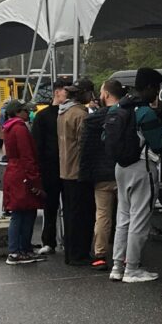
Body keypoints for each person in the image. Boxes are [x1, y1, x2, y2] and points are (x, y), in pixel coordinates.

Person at [110, 67, 162, 283]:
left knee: (123, 218)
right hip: (141, 167)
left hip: (120, 167)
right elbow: (159, 143)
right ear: (149, 87)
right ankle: (132, 268)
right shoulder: (145, 112)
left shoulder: (117, 108)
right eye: (157, 88)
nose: (157, 93)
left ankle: (117, 266)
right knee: (140, 218)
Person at [79, 78, 123, 271]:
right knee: (125, 215)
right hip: (123, 171)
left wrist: (85, 174)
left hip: (100, 175)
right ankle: (124, 256)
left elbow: (85, 149)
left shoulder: (93, 119)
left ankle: (100, 255)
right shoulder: (127, 115)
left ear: (105, 94)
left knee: (102, 215)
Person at [1, 99, 45, 265]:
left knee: (24, 211)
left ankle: (22, 248)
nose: (28, 113)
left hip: (14, 171)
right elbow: (27, 154)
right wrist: (34, 177)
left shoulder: (9, 127)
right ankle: (16, 251)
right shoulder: (20, 128)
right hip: (22, 173)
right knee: (21, 213)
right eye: (26, 111)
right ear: (18, 112)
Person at [58, 79, 96, 265]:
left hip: (65, 170)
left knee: (70, 214)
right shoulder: (81, 114)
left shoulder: (62, 112)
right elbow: (85, 145)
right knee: (83, 216)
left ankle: (70, 253)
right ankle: (80, 254)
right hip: (79, 171)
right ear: (85, 93)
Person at [32, 78, 70, 256]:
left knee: (71, 206)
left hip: (68, 166)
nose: (69, 95)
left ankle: (70, 240)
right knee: (50, 206)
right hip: (50, 167)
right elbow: (37, 145)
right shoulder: (43, 116)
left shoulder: (72, 113)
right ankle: (48, 241)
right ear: (57, 92)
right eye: (66, 91)